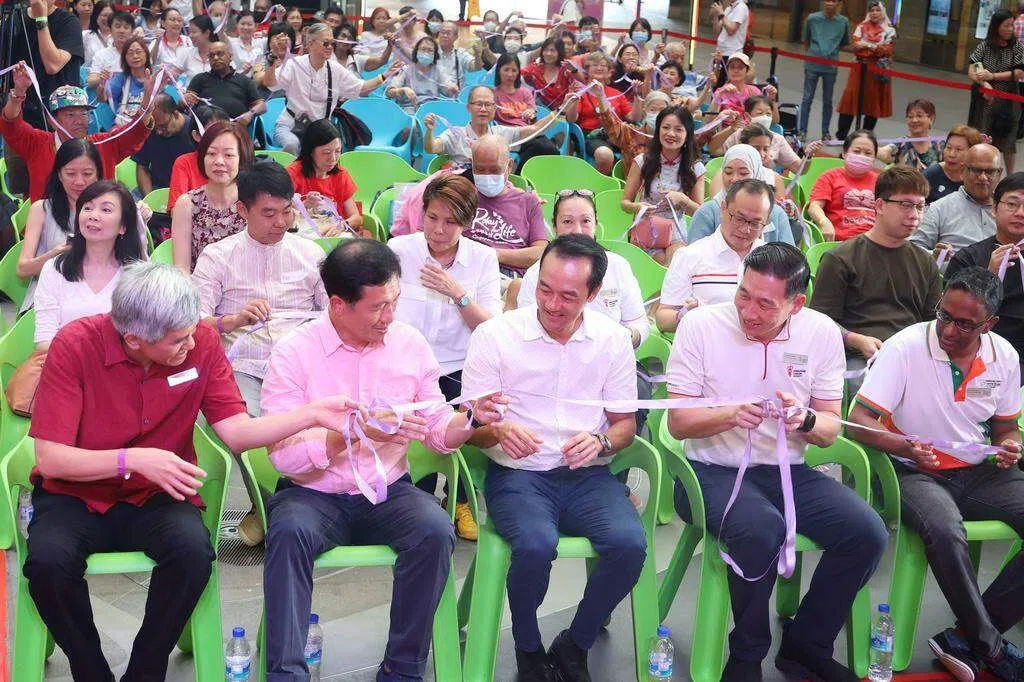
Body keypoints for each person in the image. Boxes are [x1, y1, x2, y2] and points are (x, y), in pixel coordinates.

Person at [24, 260, 362, 682]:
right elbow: (52, 459)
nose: (191, 343)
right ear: (133, 338)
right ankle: (90, 670)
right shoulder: (75, 345)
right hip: (76, 494)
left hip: (157, 495)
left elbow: (237, 432)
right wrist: (132, 459)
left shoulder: (201, 340)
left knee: (193, 554)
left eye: (190, 332)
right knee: (47, 564)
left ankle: (145, 671)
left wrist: (311, 414)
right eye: (177, 340)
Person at [260, 238, 504, 681]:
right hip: (313, 493)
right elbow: (284, 457)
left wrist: (469, 419)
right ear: (338, 305)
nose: (389, 317)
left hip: (387, 488)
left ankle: (401, 668)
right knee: (289, 534)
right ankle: (286, 674)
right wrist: (350, 435)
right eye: (377, 307)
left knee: (434, 530)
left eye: (394, 302)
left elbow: (436, 428)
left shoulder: (409, 345)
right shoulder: (294, 352)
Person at [666, 242, 888, 682]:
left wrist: (805, 420)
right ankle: (747, 656)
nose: (749, 312)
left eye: (765, 304)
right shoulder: (701, 326)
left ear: (796, 304)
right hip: (709, 470)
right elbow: (678, 423)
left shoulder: (820, 332)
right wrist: (729, 415)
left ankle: (806, 645)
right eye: (743, 294)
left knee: (867, 533)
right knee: (760, 529)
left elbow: (829, 428)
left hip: (788, 470)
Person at [461, 234, 647, 682]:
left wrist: (602, 443)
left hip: (587, 475)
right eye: (544, 288)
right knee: (534, 544)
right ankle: (528, 647)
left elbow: (624, 425)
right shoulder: (496, 335)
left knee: (629, 545)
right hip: (519, 475)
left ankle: (576, 642)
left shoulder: (612, 339)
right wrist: (497, 430)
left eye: (568, 296)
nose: (552, 304)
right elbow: (467, 427)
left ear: (594, 294)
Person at [847, 267, 1024, 682]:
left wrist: (1011, 446)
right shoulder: (905, 347)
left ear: (990, 324)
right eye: (944, 315)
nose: (948, 329)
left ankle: (967, 635)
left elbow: (1005, 427)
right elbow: (858, 419)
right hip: (911, 470)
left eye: (964, 324)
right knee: (945, 529)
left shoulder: (1004, 356)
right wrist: (902, 445)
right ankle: (991, 647)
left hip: (977, 470)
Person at [192, 162, 327, 546]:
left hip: (301, 367)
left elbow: (334, 314)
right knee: (248, 427)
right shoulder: (219, 256)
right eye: (268, 213)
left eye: (286, 211)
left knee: (316, 422)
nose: (280, 222)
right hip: (242, 364)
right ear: (242, 210)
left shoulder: (310, 253)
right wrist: (232, 320)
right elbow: (194, 321)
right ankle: (275, 511)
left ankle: (275, 512)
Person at [389, 174, 501, 541]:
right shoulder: (399, 250)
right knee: (409, 426)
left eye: (450, 222)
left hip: (459, 366)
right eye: (432, 218)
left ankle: (462, 498)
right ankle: (414, 498)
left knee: (473, 421)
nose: (438, 230)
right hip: (405, 366)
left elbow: (490, 328)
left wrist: (458, 293)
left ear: (467, 223)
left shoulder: (482, 258)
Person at [810, 166, 942, 393]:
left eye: (920, 207)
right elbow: (819, 322)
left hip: (910, 355)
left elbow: (932, 323)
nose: (915, 215)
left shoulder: (925, 262)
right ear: (879, 205)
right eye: (906, 205)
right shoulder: (841, 258)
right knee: (866, 387)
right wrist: (856, 340)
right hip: (857, 356)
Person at [514, 190, 650, 349]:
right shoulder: (536, 273)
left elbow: (639, 323)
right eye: (567, 221)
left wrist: (624, 337)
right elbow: (527, 327)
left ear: (596, 224)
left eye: (585, 221)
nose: (577, 230)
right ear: (554, 226)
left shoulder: (618, 266)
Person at [0, 64, 153, 203]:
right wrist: (19, 91)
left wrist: (147, 98)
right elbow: (11, 125)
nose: (79, 121)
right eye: (70, 114)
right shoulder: (37, 143)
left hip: (98, 221)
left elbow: (135, 132)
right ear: (52, 120)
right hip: (48, 221)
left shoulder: (103, 144)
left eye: (84, 113)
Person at [34, 180, 145, 349]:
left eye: (106, 210)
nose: (93, 215)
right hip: (64, 360)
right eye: (87, 208)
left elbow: (142, 340)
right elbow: (45, 337)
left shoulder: (137, 276)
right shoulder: (55, 268)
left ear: (123, 226)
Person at [263, 22, 397, 155]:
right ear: (310, 44)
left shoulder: (335, 68)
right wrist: (272, 59)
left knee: (332, 150)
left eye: (332, 43)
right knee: (292, 144)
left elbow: (360, 88)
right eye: (325, 43)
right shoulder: (294, 64)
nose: (330, 47)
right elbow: (270, 84)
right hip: (290, 126)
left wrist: (384, 76)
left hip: (319, 130)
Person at [656, 178, 769, 334]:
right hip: (707, 343)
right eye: (739, 218)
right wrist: (685, 314)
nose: (745, 229)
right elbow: (663, 320)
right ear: (723, 208)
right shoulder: (690, 256)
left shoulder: (773, 261)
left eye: (755, 223)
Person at [945, 172, 1024, 381]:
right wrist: (988, 275)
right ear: (994, 209)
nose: (1020, 213)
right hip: (979, 347)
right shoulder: (967, 258)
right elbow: (950, 316)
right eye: (1012, 204)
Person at [3, 0, 85, 197]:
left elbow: (52, 64)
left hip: (59, 123)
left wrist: (41, 18)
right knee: (23, 191)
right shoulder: (14, 18)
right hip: (21, 118)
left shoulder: (68, 21)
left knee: (60, 188)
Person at [18, 140, 102, 312]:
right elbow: (23, 269)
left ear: (98, 175)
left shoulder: (109, 211)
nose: (79, 181)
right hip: (49, 302)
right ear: (59, 175)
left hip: (95, 298)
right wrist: (55, 255)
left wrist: (140, 222)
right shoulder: (41, 209)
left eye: (87, 173)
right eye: (71, 173)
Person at [622, 105, 707, 265]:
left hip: (676, 233)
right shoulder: (642, 161)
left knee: (676, 259)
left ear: (687, 134)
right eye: (666, 127)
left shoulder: (695, 167)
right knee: (661, 263)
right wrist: (638, 207)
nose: (671, 134)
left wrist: (683, 200)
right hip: (647, 230)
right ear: (658, 130)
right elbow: (624, 203)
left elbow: (699, 213)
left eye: (678, 129)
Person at [169, 120, 254, 271]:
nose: (219, 161)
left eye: (228, 155)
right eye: (211, 153)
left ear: (242, 158)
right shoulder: (187, 203)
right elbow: (182, 268)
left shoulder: (254, 202)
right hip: (199, 284)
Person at [463, 135, 549, 277]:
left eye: (495, 170)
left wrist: (493, 254)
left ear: (509, 166)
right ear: (472, 164)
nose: (487, 176)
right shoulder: (461, 197)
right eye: (480, 169)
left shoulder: (528, 202)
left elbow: (540, 253)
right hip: (469, 270)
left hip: (510, 277)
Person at [422, 85, 559, 171]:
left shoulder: (501, 133)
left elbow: (535, 129)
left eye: (488, 105)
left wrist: (560, 110)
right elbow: (432, 147)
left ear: (494, 109)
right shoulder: (455, 134)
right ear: (469, 107)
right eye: (478, 104)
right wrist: (429, 131)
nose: (483, 109)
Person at [688, 144, 794, 246]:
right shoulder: (707, 212)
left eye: (743, 173)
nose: (734, 179)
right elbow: (694, 254)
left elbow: (790, 256)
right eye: (728, 172)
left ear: (757, 173)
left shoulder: (776, 214)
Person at [911, 143, 1002, 257]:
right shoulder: (939, 209)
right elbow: (913, 249)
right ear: (963, 170)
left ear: (999, 173)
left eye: (990, 171)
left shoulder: (1009, 210)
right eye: (976, 170)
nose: (983, 177)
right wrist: (934, 256)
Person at [564, 51, 643, 176]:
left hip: (616, 135)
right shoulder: (581, 92)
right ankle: (602, 183)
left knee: (641, 151)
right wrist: (573, 101)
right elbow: (571, 119)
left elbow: (634, 117)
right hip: (592, 137)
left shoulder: (616, 93)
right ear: (587, 70)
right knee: (604, 155)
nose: (599, 68)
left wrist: (637, 96)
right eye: (595, 65)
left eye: (603, 65)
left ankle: (629, 182)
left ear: (609, 72)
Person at [287, 119, 364, 234]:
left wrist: (342, 225)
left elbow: (356, 218)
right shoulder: (292, 174)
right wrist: (304, 206)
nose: (333, 159)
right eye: (326, 152)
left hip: (334, 235)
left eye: (337, 151)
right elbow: (280, 214)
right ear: (310, 151)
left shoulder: (340, 174)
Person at [970, 9, 1024, 173]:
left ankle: (1010, 176)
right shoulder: (985, 46)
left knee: (1008, 139)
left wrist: (992, 76)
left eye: (1011, 25)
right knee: (984, 135)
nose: (1010, 29)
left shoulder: (1016, 47)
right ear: (996, 26)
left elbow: (1019, 72)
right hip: (986, 100)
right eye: (1006, 25)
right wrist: (984, 83)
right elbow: (973, 67)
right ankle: (982, 171)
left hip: (1008, 99)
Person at [835, 0, 895, 138]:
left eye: (877, 10)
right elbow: (857, 48)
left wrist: (867, 45)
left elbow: (886, 51)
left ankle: (865, 136)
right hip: (858, 70)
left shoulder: (889, 30)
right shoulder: (861, 27)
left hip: (876, 71)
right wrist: (874, 48)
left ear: (883, 12)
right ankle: (841, 136)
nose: (874, 13)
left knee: (872, 104)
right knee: (849, 100)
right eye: (872, 10)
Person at [808, 130, 880, 241]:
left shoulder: (881, 181)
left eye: (868, 153)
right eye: (856, 151)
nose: (862, 156)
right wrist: (823, 221)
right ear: (844, 154)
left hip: (875, 242)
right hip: (839, 243)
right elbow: (814, 207)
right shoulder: (830, 177)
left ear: (874, 158)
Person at [799, 0, 850, 141]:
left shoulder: (843, 22)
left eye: (833, 1)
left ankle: (825, 132)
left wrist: (830, 51)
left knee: (828, 100)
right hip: (812, 63)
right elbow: (806, 40)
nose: (829, 4)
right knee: (807, 98)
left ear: (839, 3)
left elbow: (844, 42)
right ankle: (802, 131)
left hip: (830, 65)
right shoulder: (812, 18)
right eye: (827, 0)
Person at [166, 104, 231, 210]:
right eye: (213, 133)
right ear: (196, 135)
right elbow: (176, 210)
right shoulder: (184, 163)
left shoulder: (235, 160)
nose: (221, 138)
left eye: (225, 132)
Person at [714, 96, 801, 174]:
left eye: (768, 114)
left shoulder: (778, 139)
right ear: (747, 116)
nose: (765, 117)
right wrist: (730, 130)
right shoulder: (737, 134)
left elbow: (798, 168)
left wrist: (808, 155)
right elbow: (715, 151)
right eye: (759, 113)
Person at [186, 40, 267, 123]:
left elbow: (261, 105)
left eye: (220, 54)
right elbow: (184, 103)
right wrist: (186, 99)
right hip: (205, 127)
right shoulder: (200, 79)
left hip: (235, 126)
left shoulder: (244, 80)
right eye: (211, 55)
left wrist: (250, 113)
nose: (215, 58)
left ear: (230, 56)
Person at [133, 92, 195, 197]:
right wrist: (150, 199)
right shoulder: (149, 129)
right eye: (155, 127)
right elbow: (142, 167)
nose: (158, 132)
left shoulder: (193, 133)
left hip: (186, 191)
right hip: (155, 187)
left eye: (163, 126)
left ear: (175, 114)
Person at [708, 123, 789, 198]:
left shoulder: (774, 178)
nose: (762, 154)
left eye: (765, 149)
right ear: (742, 146)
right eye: (756, 148)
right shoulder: (722, 174)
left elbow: (779, 207)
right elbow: (716, 205)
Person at [386, 35, 458, 112]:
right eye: (423, 49)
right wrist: (403, 90)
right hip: (409, 109)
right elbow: (389, 92)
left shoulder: (438, 70)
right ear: (416, 51)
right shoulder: (406, 70)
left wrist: (452, 88)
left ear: (435, 55)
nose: (426, 53)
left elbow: (448, 88)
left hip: (431, 110)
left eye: (430, 50)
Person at [924, 125, 984, 204]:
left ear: (973, 152)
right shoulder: (930, 175)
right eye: (948, 147)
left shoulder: (979, 177)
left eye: (958, 149)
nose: (951, 154)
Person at [877, 100, 942, 169]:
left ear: (931, 119)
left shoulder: (940, 146)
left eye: (919, 116)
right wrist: (871, 148)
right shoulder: (901, 145)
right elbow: (884, 152)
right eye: (910, 117)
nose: (914, 120)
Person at [711, 53, 778, 118]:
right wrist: (719, 95)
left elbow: (774, 121)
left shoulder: (754, 91)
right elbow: (709, 120)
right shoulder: (721, 92)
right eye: (732, 67)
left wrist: (772, 99)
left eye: (740, 67)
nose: (736, 70)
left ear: (747, 71)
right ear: (728, 71)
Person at [521, 36, 576, 109]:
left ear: (560, 52)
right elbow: (517, 74)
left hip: (563, 112)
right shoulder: (534, 69)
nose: (548, 53)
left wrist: (574, 71)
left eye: (552, 50)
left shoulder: (566, 70)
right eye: (545, 50)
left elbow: (581, 86)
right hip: (539, 112)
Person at [106, 37, 151, 125]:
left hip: (149, 125)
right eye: (130, 53)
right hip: (125, 125)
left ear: (146, 54)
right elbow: (104, 98)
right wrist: (102, 84)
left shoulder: (155, 77)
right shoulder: (120, 79)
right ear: (124, 58)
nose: (135, 56)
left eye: (138, 52)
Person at [86, 9, 135, 89]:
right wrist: (101, 77)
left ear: (132, 31)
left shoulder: (138, 54)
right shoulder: (101, 54)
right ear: (110, 29)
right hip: (107, 95)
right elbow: (91, 82)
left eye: (126, 27)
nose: (122, 31)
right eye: (117, 26)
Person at [494, 53, 540, 127]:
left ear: (518, 72)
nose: (510, 74)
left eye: (514, 70)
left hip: (527, 130)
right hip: (505, 131)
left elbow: (532, 113)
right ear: (498, 71)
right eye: (506, 70)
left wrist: (530, 113)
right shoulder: (492, 94)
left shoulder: (525, 92)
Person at [253, 22, 295, 99]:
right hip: (268, 102)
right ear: (269, 42)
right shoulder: (261, 58)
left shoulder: (298, 60)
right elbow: (259, 79)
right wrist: (273, 63)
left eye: (285, 38)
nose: (281, 42)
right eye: (277, 38)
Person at [434, 21, 479, 91]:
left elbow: (476, 67)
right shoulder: (432, 52)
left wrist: (477, 54)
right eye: (442, 32)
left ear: (456, 37)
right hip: (434, 94)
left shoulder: (461, 53)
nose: (445, 36)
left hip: (456, 94)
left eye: (448, 33)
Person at [149, 7, 192, 79]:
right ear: (163, 23)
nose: (177, 23)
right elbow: (150, 62)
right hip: (164, 82)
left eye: (179, 20)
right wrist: (157, 42)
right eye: (172, 20)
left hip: (186, 83)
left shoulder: (188, 41)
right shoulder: (157, 42)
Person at [228, 9, 266, 78]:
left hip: (259, 82)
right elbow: (219, 31)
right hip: (237, 82)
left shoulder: (261, 42)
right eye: (242, 24)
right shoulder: (231, 42)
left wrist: (279, 18)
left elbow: (277, 36)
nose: (245, 27)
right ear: (237, 25)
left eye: (249, 24)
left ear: (255, 26)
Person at [83, 0, 113, 66]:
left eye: (111, 15)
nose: (108, 19)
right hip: (91, 72)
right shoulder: (86, 35)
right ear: (96, 16)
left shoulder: (120, 37)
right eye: (104, 15)